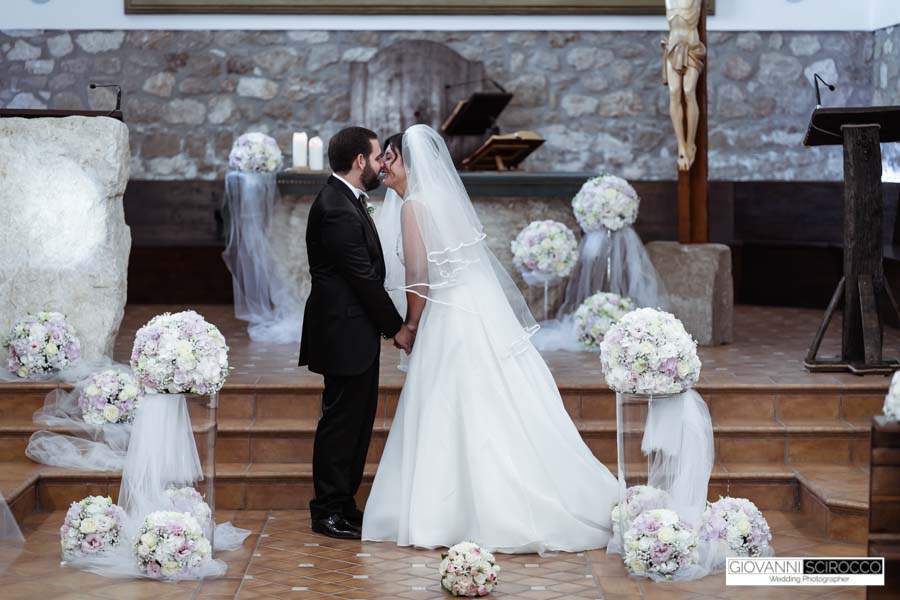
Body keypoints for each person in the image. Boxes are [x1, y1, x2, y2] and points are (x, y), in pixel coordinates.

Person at [362, 125, 617, 554]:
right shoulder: (440, 200)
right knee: (489, 397)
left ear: (411, 163)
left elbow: (419, 278)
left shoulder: (414, 206)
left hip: (450, 315)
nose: (384, 165)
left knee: (457, 399)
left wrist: (411, 326)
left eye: (391, 157)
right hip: (475, 305)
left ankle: (460, 510)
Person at [299, 126, 416, 539]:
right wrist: (397, 328)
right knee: (340, 424)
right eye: (378, 156)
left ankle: (344, 504)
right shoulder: (336, 207)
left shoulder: (347, 199)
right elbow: (362, 278)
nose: (383, 164)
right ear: (360, 161)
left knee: (357, 423)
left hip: (353, 332)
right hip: (342, 333)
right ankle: (327, 510)